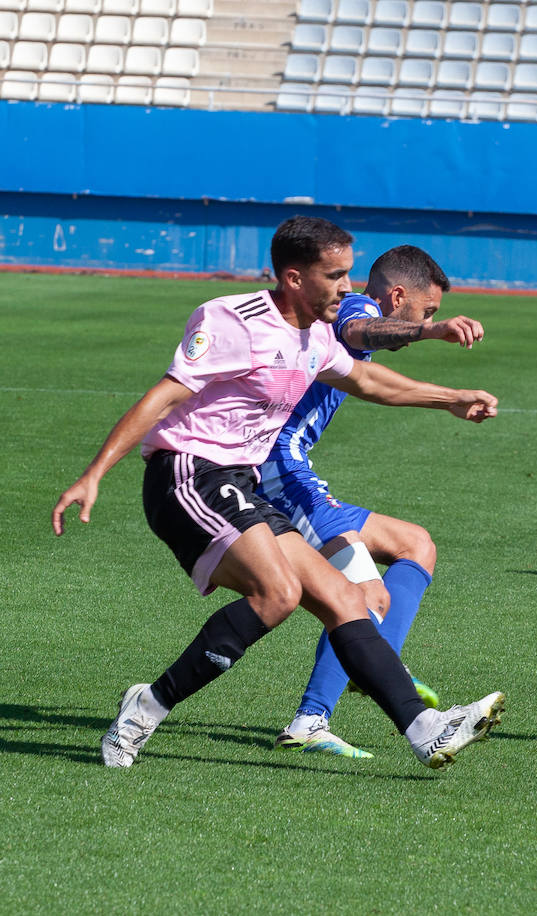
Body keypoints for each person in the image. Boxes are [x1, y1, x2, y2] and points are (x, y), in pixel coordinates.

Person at [52, 216, 506, 769]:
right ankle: (147, 708)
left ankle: (426, 729)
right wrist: (95, 472)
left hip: (241, 483)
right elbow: (164, 397)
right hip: (187, 473)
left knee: (343, 599)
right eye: (335, 275)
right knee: (279, 594)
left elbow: (364, 380)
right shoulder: (231, 320)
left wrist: (449, 398)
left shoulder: (316, 334)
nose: (346, 286)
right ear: (294, 278)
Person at [260, 244, 484, 758]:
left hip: (290, 468)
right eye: (427, 310)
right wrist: (430, 331)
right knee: (365, 599)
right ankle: (332, 705)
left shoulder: (351, 318)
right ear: (398, 296)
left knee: (416, 544)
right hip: (279, 471)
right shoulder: (359, 310)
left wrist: (448, 398)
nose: (430, 319)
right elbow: (359, 332)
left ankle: (371, 665)